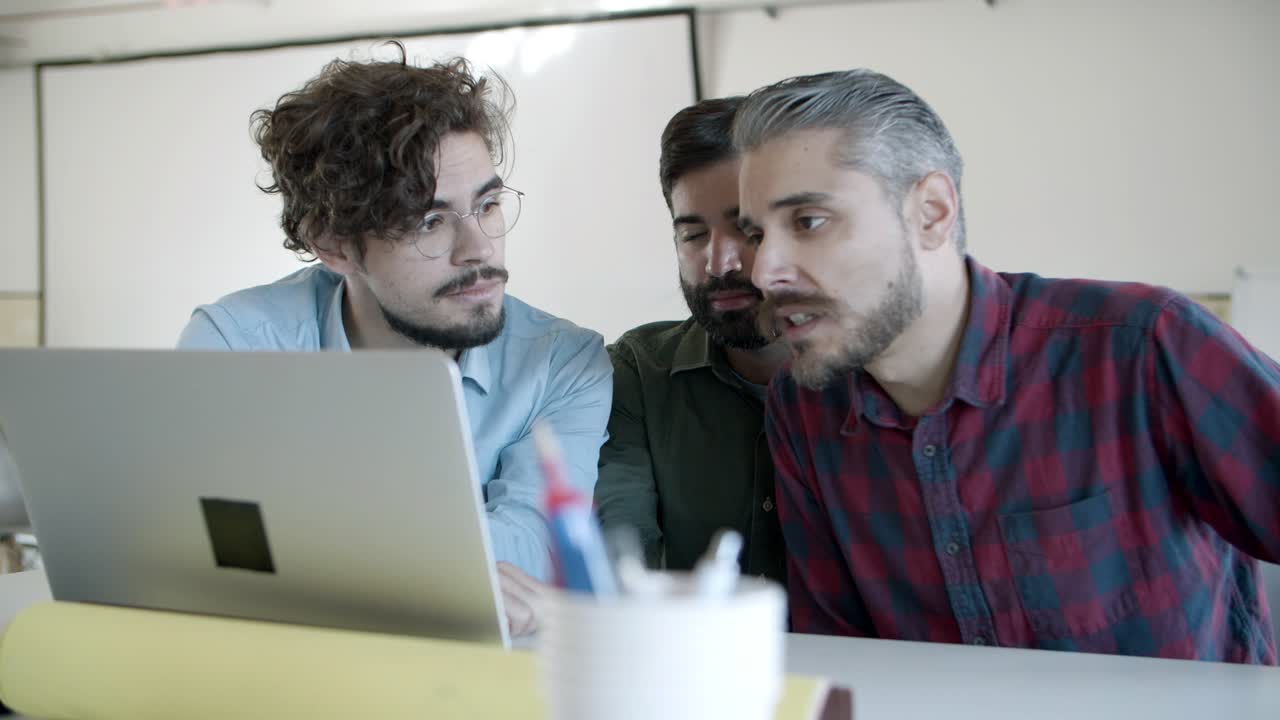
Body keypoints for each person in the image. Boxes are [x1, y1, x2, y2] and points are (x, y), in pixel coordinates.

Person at [734, 68, 1280, 663]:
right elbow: (841, 659)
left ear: (933, 212)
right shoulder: (804, 404)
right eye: (757, 235)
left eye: (808, 221)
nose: (765, 271)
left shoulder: (1141, 345)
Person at [177, 45, 612, 636]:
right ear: (333, 246)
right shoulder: (237, 342)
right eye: (429, 221)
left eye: (487, 205)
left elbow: (533, 548)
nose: (479, 248)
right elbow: (203, 547)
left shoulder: (564, 362)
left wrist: (311, 550)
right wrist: (435, 571)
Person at [595, 98, 790, 582]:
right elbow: (623, 556)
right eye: (693, 234)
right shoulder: (639, 372)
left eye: (746, 229)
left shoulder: (874, 372)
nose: (717, 261)